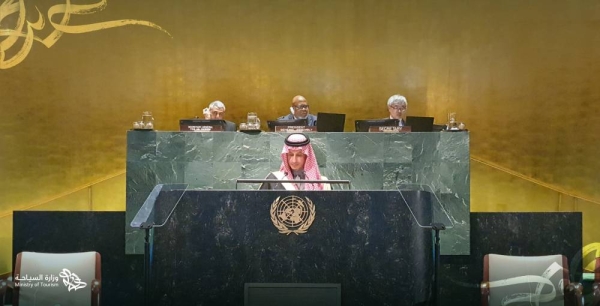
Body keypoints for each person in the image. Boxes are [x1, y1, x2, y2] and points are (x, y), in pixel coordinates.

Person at [260, 133, 330, 190]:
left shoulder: (322, 184)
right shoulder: (274, 180)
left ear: (306, 156)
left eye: (299, 155)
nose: (294, 160)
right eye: (290, 155)